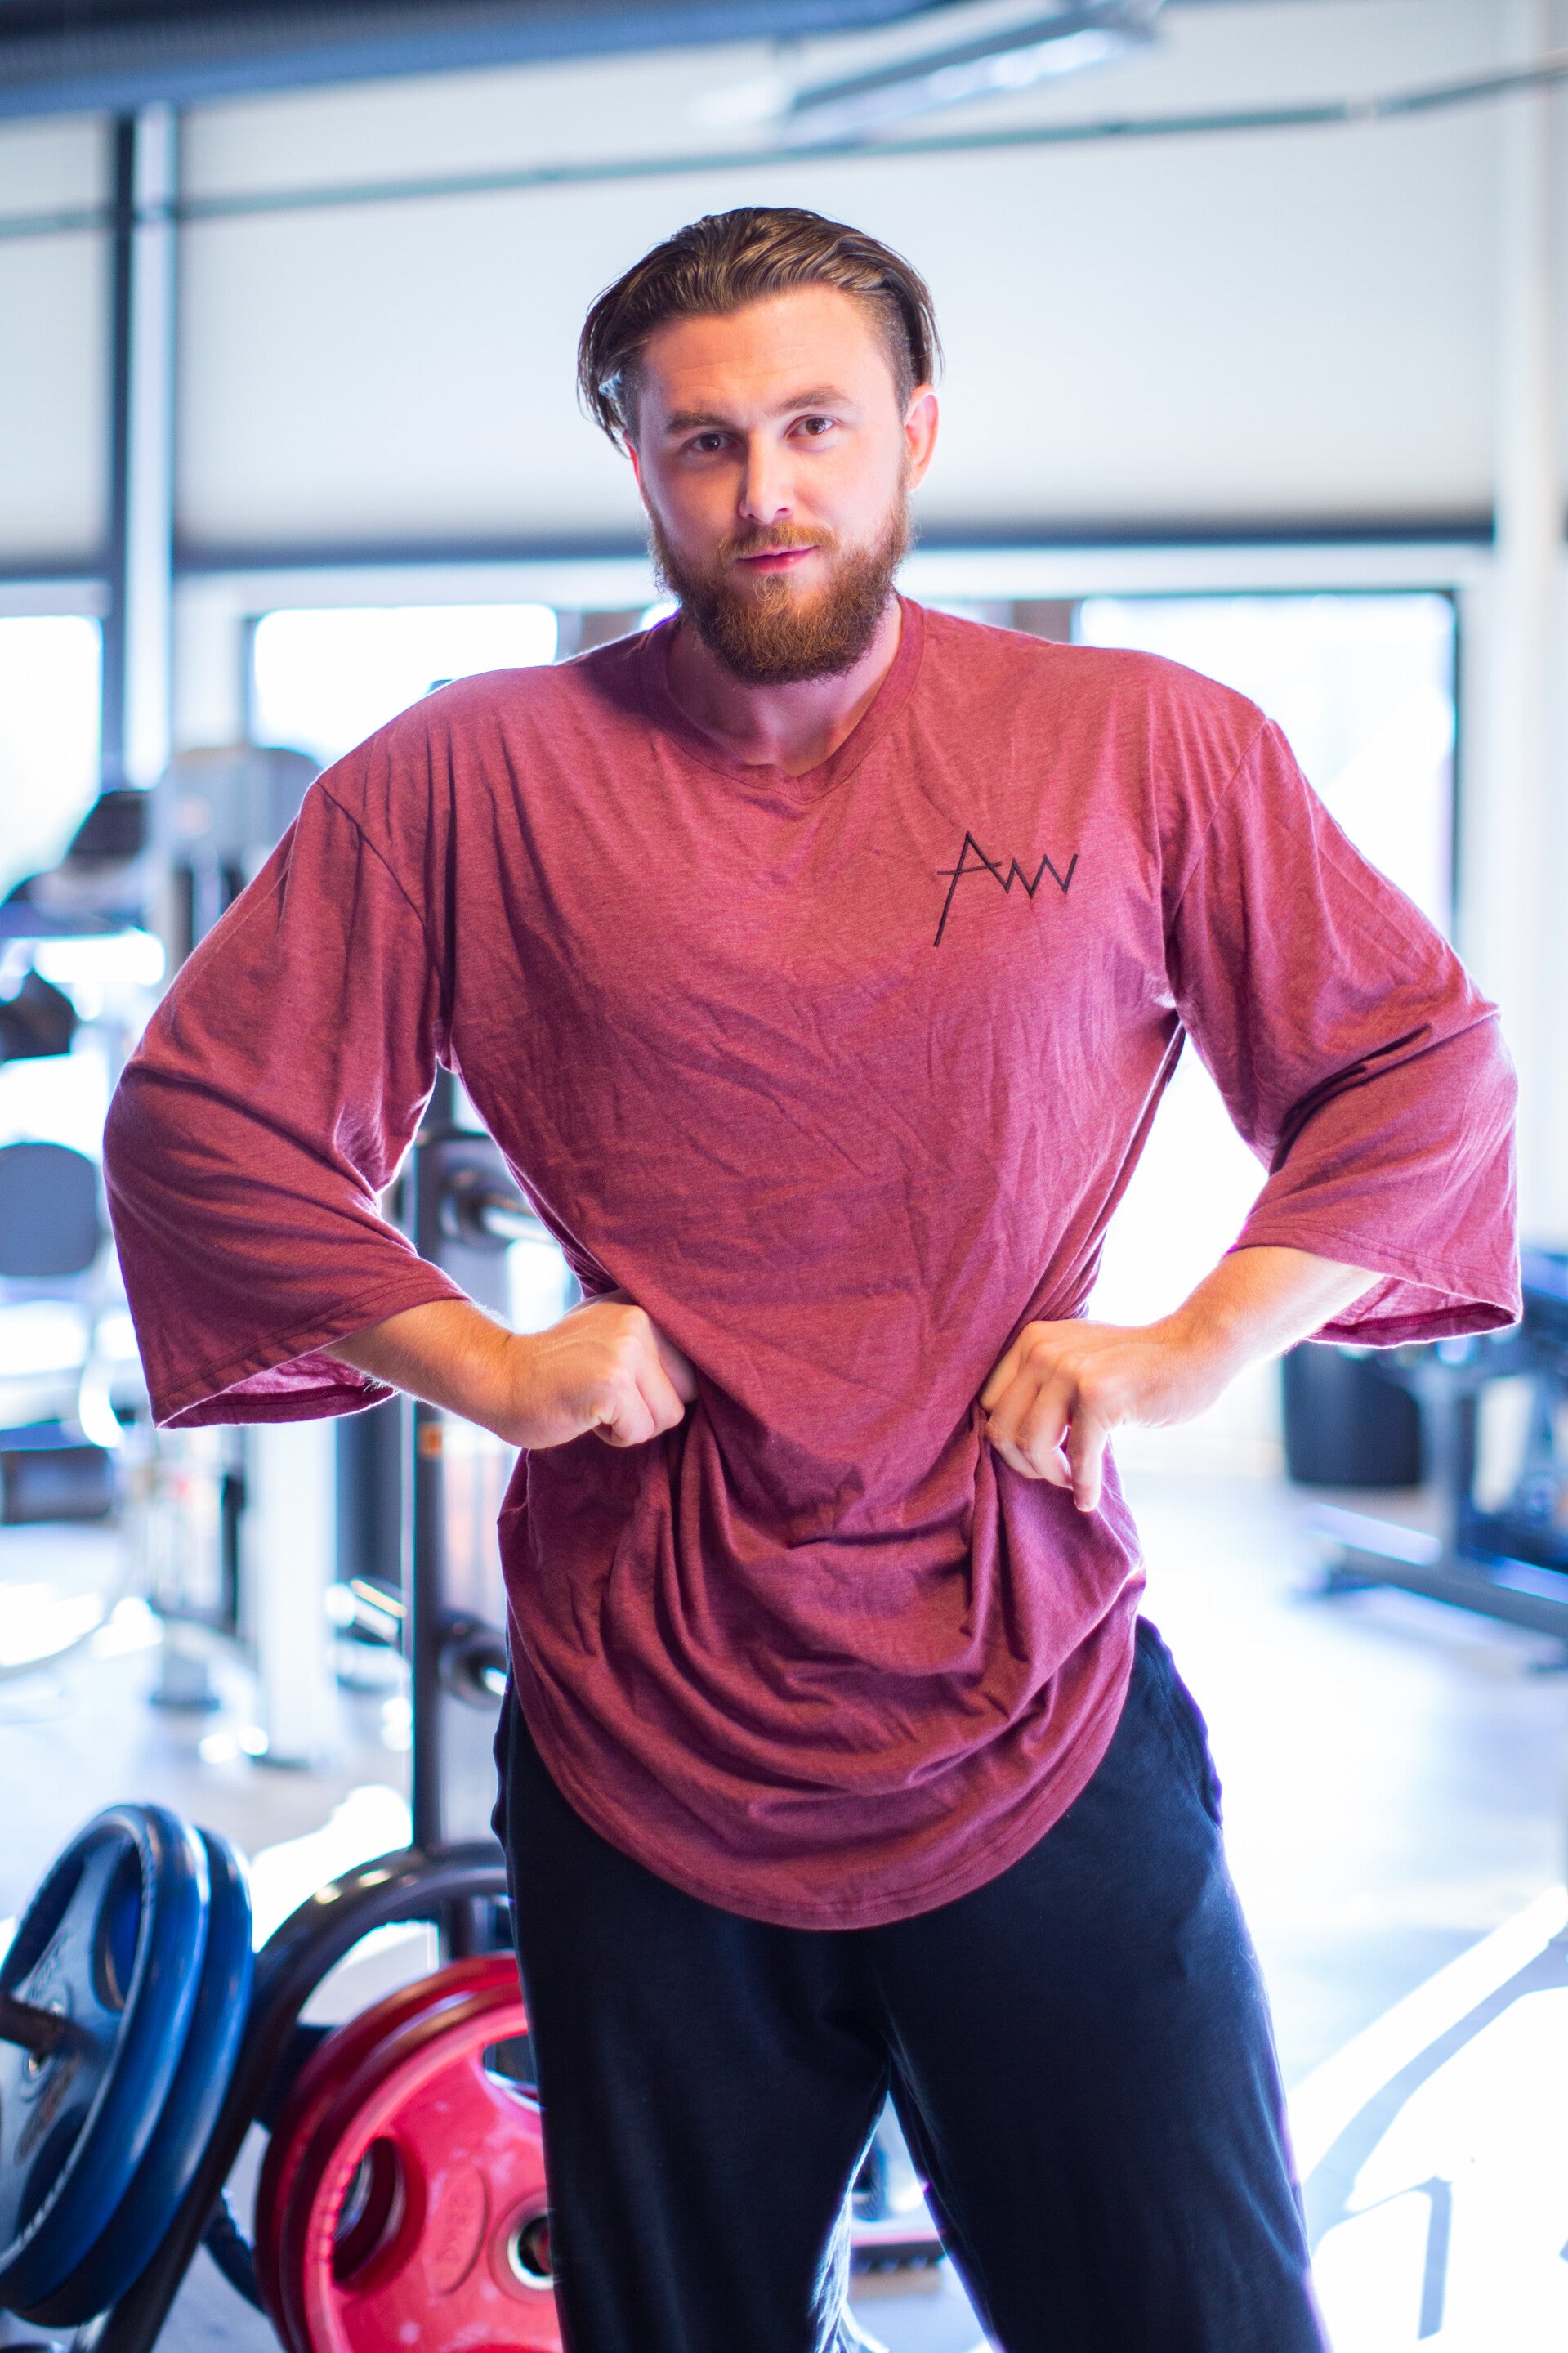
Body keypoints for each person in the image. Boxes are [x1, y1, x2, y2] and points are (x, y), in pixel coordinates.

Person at [105, 208, 1517, 2353]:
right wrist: (482, 1362)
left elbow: (1417, 1058)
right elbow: (202, 1122)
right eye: (700, 443)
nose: (764, 492)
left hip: (1033, 1698)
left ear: (915, 435)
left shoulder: (1147, 743)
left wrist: (1192, 1342)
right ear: (634, 461)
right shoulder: (469, 775)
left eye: (815, 425)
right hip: (638, 1747)